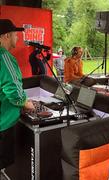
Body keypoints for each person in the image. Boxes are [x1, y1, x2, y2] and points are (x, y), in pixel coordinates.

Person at [0, 19, 35, 174]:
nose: (18, 38)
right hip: (3, 122)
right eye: (15, 34)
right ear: (6, 35)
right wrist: (25, 103)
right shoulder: (4, 57)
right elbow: (12, 89)